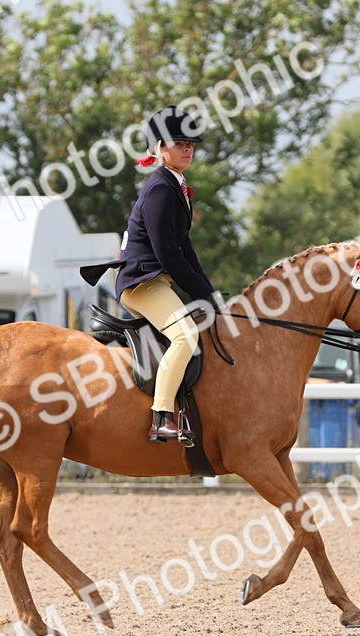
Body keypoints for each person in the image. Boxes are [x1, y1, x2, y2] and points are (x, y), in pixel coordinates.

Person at [81, 105, 218, 443]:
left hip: (156, 280)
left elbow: (185, 248)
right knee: (186, 335)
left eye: (190, 143)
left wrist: (209, 291)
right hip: (141, 283)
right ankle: (161, 416)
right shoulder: (160, 188)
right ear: (159, 147)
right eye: (178, 143)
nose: (187, 148)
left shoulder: (176, 185)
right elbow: (168, 254)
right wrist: (200, 291)